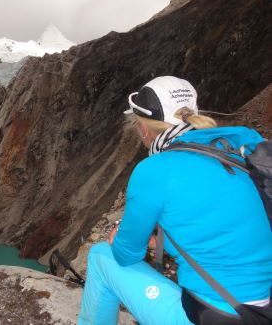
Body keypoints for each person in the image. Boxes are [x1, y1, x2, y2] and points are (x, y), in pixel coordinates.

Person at [78, 76, 272, 325]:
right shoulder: (234, 149)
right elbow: (218, 229)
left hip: (216, 315)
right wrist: (156, 242)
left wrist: (124, 238)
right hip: (264, 308)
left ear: (145, 128)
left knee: (100, 256)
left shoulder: (155, 170)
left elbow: (126, 255)